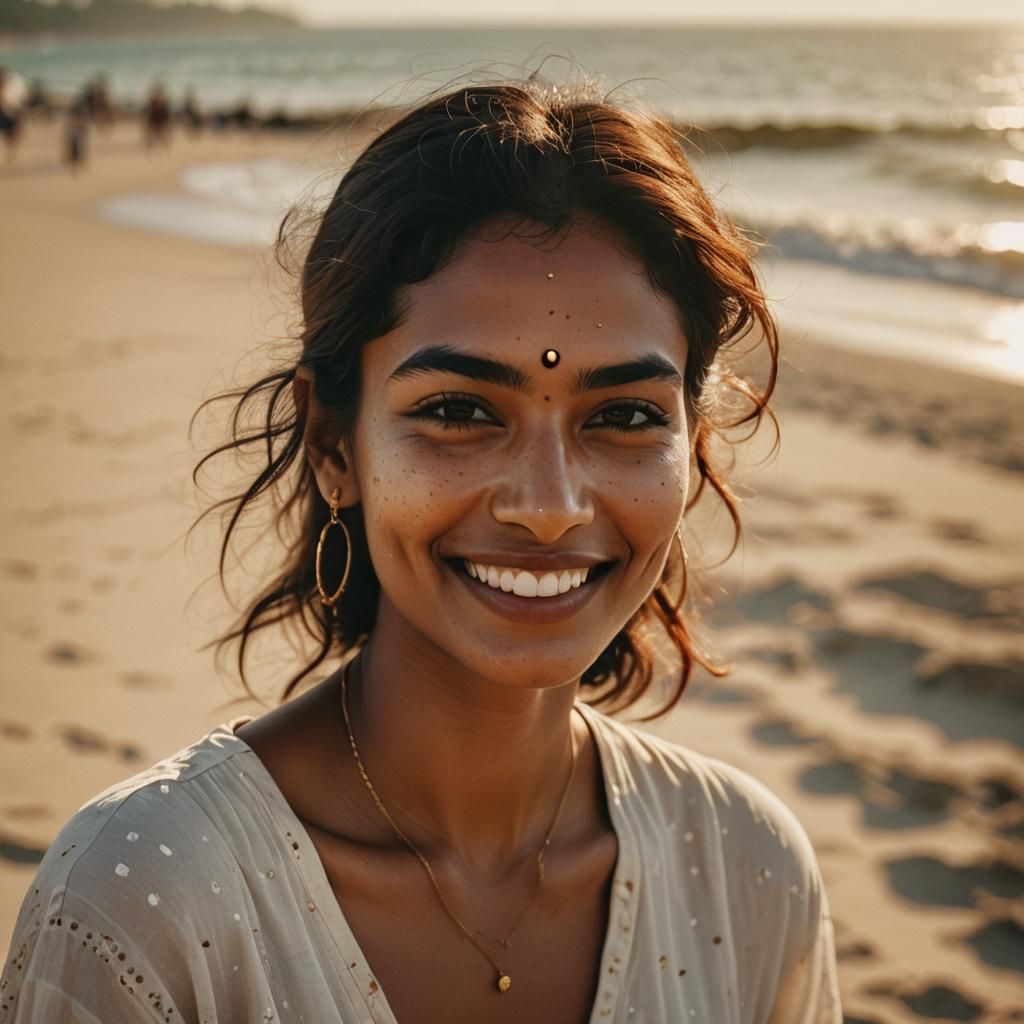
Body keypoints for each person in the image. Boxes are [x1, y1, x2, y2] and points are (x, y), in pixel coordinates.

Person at [0, 81, 842, 1021]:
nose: (550, 507)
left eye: (625, 417)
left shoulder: (748, 873)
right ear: (333, 446)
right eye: (457, 411)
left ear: (693, 447)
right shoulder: (140, 907)